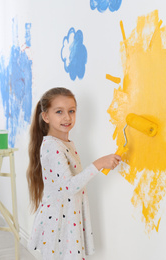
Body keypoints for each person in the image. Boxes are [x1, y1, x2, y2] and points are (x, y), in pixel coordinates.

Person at [27, 87, 121, 259]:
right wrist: (99, 164)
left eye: (71, 111)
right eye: (59, 112)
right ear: (46, 117)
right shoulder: (52, 147)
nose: (67, 117)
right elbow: (69, 187)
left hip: (68, 216)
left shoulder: (65, 143)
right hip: (58, 221)